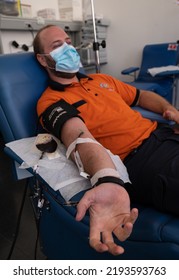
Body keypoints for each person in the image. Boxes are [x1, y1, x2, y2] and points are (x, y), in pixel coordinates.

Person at [33, 24, 179, 256]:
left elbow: (142, 96)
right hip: (143, 160)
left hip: (164, 134)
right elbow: (78, 136)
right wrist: (106, 178)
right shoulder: (50, 101)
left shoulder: (101, 80)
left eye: (69, 43)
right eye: (57, 46)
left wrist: (171, 109)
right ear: (43, 59)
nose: (68, 49)